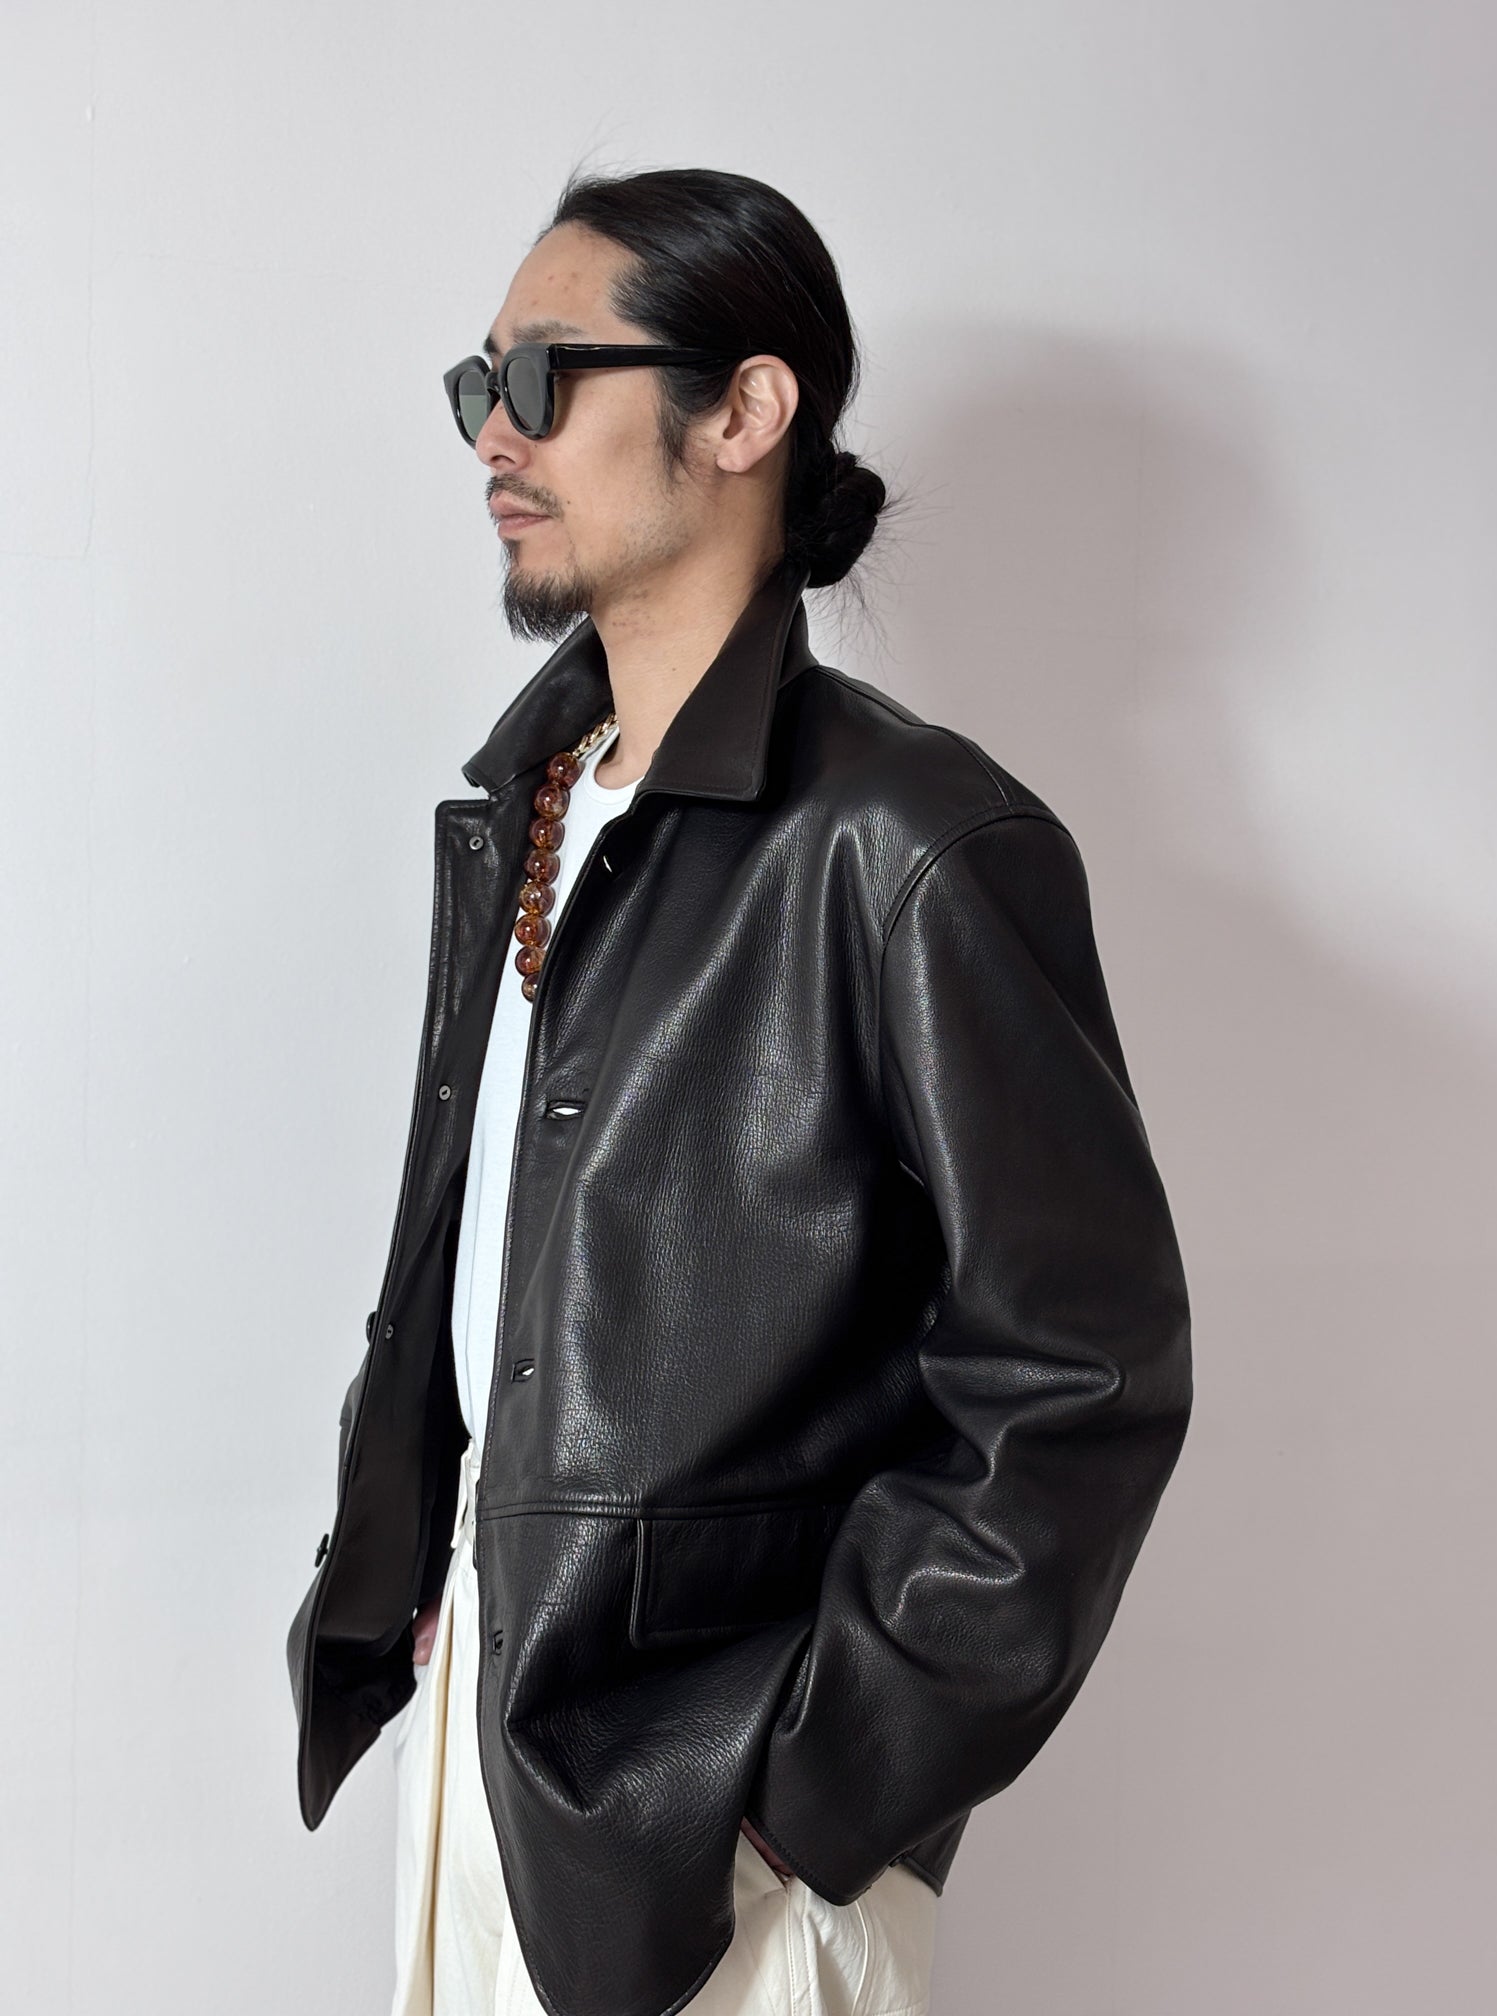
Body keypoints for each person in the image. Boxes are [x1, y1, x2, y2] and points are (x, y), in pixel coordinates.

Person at [287, 165, 1193, 2016]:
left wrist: (811, 1788)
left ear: (744, 411)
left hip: (724, 1840)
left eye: (545, 377)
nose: (495, 436)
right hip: (493, 1746)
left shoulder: (911, 842)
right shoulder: (532, 809)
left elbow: (1081, 1377)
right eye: (479, 386)